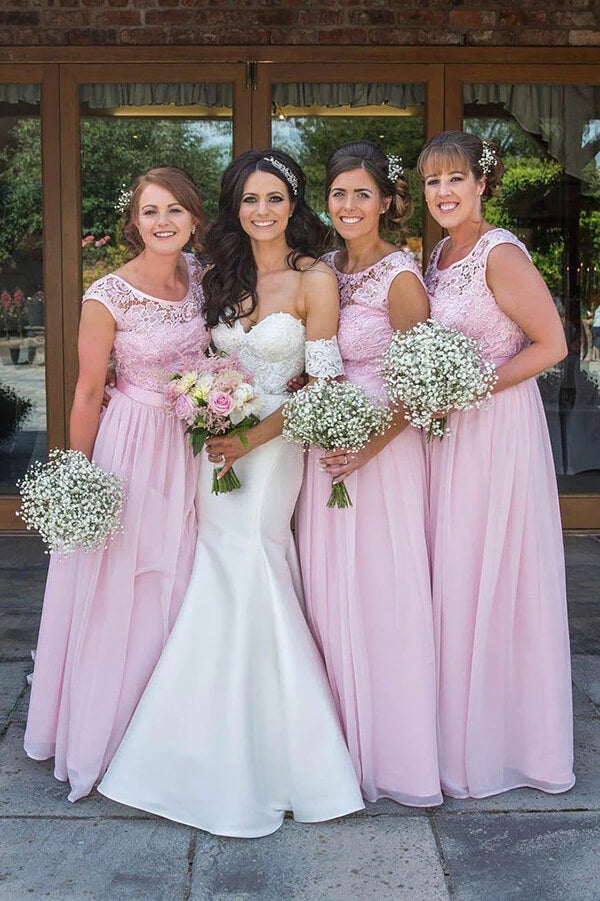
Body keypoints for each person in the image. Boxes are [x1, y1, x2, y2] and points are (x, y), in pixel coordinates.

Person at [98, 150, 364, 837]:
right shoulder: (219, 276)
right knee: (215, 572)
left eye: (274, 198)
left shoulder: (316, 280)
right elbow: (196, 357)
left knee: (253, 564)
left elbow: (325, 388)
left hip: (274, 450)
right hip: (212, 445)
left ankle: (285, 760)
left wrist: (251, 438)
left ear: (293, 205)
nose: (262, 211)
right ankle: (201, 745)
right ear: (235, 207)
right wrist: (210, 415)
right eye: (249, 199)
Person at [24, 167, 210, 802]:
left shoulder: (204, 282)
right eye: (151, 212)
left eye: (175, 211)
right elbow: (86, 390)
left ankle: (164, 730)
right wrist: (79, 478)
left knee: (179, 577)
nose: (163, 222)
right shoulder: (107, 294)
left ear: (193, 218)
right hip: (130, 444)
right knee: (121, 581)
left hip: (190, 447)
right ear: (136, 221)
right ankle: (104, 732)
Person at [420, 130, 575, 799]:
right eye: (432, 181)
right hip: (450, 432)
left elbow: (554, 345)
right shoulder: (438, 252)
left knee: (494, 576)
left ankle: (510, 744)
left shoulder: (498, 251)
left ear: (484, 182)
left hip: (496, 429)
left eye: (456, 179)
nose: (445, 192)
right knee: (454, 576)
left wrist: (474, 387)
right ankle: (455, 731)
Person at [296, 141, 442, 808]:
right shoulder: (324, 268)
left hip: (382, 456)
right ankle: (336, 748)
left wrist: (366, 449)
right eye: (338, 193)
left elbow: (421, 387)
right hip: (325, 450)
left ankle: (393, 753)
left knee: (382, 597)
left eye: (362, 193)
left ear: (387, 201)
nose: (348, 205)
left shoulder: (400, 277)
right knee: (328, 597)